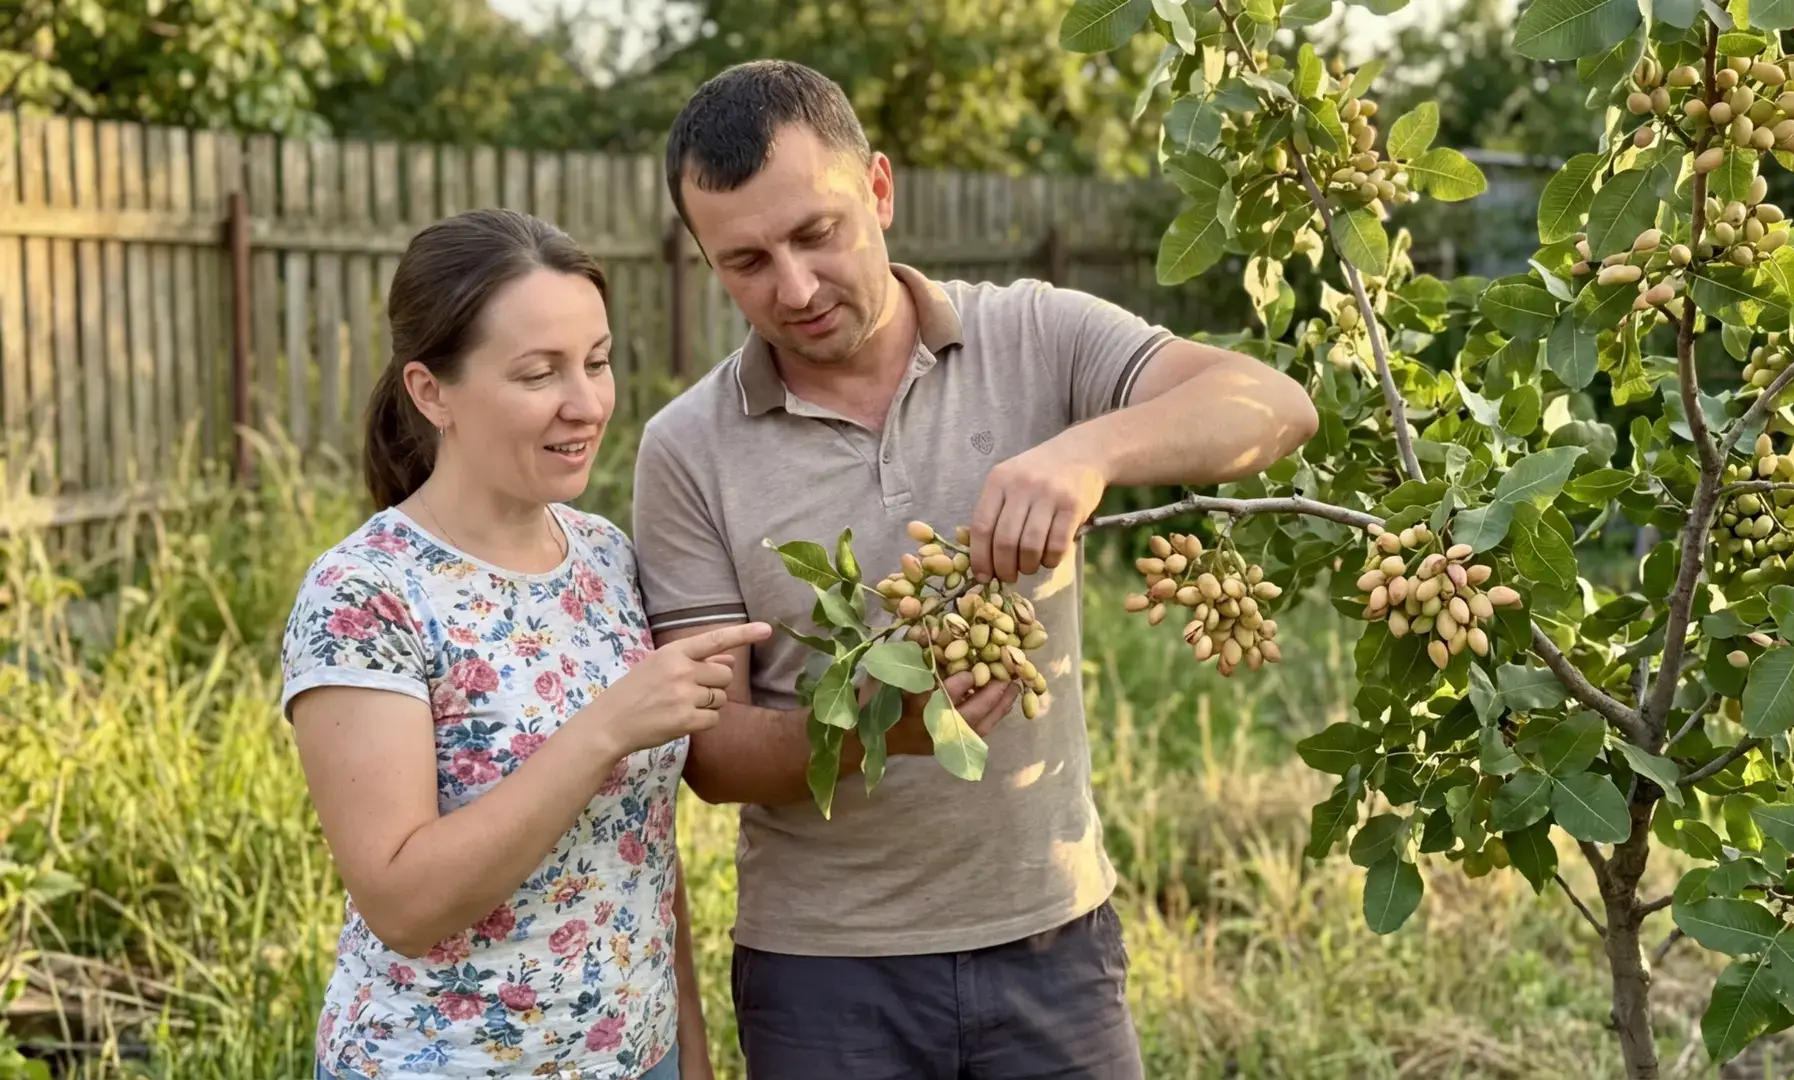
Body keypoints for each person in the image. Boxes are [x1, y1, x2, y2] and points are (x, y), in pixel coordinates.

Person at [628, 60, 1319, 1078]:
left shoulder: (1034, 334)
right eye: (747, 261)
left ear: (879, 189)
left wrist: (1088, 453)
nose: (795, 288)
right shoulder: (685, 449)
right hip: (824, 976)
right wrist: (882, 729)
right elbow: (715, 757)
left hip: (1052, 936)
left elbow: (1275, 406)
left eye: (817, 233)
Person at [279, 207, 771, 1080]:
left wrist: (689, 1054)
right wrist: (604, 729)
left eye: (597, 361)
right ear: (432, 392)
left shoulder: (608, 559)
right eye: (538, 373)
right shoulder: (367, 593)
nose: (585, 403)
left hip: (637, 1055)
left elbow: (642, 854)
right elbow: (402, 901)